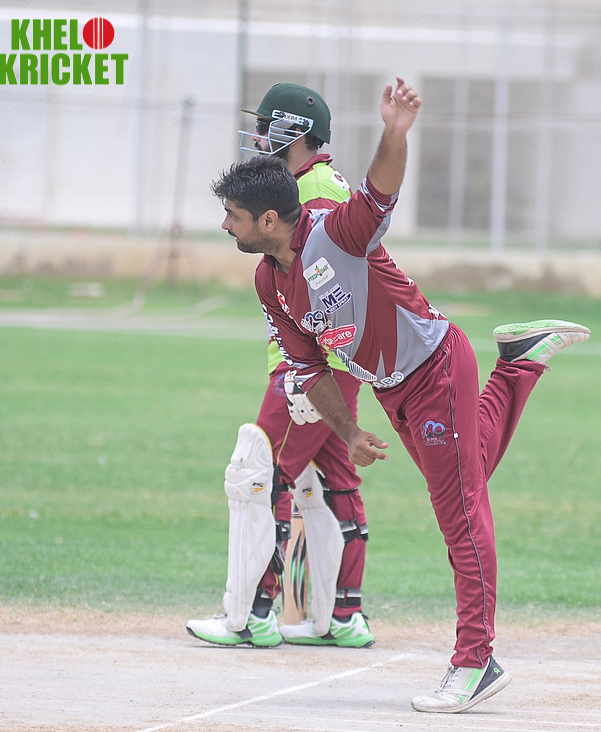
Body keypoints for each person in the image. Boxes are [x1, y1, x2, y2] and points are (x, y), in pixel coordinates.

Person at [211, 77, 590, 714]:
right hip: (394, 389)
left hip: (436, 368)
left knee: (461, 511)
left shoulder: (334, 231)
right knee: (471, 475)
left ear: (269, 220)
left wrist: (394, 132)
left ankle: (475, 659)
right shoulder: (268, 281)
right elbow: (310, 367)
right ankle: (518, 366)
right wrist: (348, 431)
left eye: (233, 216)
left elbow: (379, 189)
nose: (225, 225)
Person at [186, 84, 374, 649]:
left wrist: (317, 365)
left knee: (262, 477)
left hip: (313, 366)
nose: (261, 136)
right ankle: (343, 617)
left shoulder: (313, 189)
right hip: (327, 362)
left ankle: (254, 612)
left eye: (268, 126)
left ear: (295, 131)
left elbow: (337, 280)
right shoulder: (313, 183)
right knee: (335, 483)